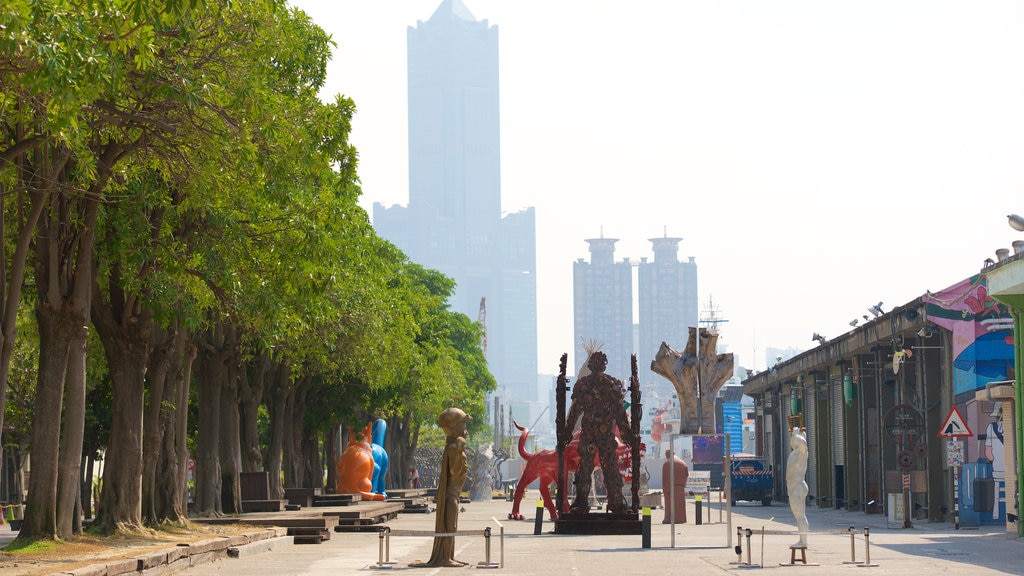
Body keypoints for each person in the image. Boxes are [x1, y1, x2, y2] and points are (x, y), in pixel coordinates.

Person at [564, 351, 635, 515]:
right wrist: (626, 433)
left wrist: (626, 433)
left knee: (599, 467)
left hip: (598, 433)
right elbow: (619, 413)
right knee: (593, 468)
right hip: (593, 433)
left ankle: (611, 503)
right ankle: (587, 503)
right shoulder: (607, 385)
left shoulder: (597, 385)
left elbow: (619, 412)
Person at [411, 407, 471, 568]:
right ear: (453, 427)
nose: (465, 428)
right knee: (450, 526)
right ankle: (445, 557)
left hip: (455, 495)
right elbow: (454, 471)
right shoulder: (453, 447)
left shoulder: (455, 445)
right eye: (463, 424)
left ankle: (449, 556)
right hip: (450, 495)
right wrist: (459, 450)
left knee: (453, 526)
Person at [786, 426, 810, 548]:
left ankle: (803, 541)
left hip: (797, 485)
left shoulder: (801, 452)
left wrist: (797, 434)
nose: (791, 440)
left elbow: (803, 443)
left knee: (800, 515)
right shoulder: (796, 452)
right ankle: (802, 539)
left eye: (793, 438)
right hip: (794, 486)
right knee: (798, 515)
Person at [662, 449, 689, 524]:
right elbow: (686, 474)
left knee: (669, 505)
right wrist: (683, 485)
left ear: (668, 454)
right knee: (680, 506)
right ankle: (681, 519)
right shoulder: (682, 463)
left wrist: (665, 490)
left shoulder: (667, 463)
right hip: (680, 488)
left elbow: (665, 478)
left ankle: (669, 519)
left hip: (670, 487)